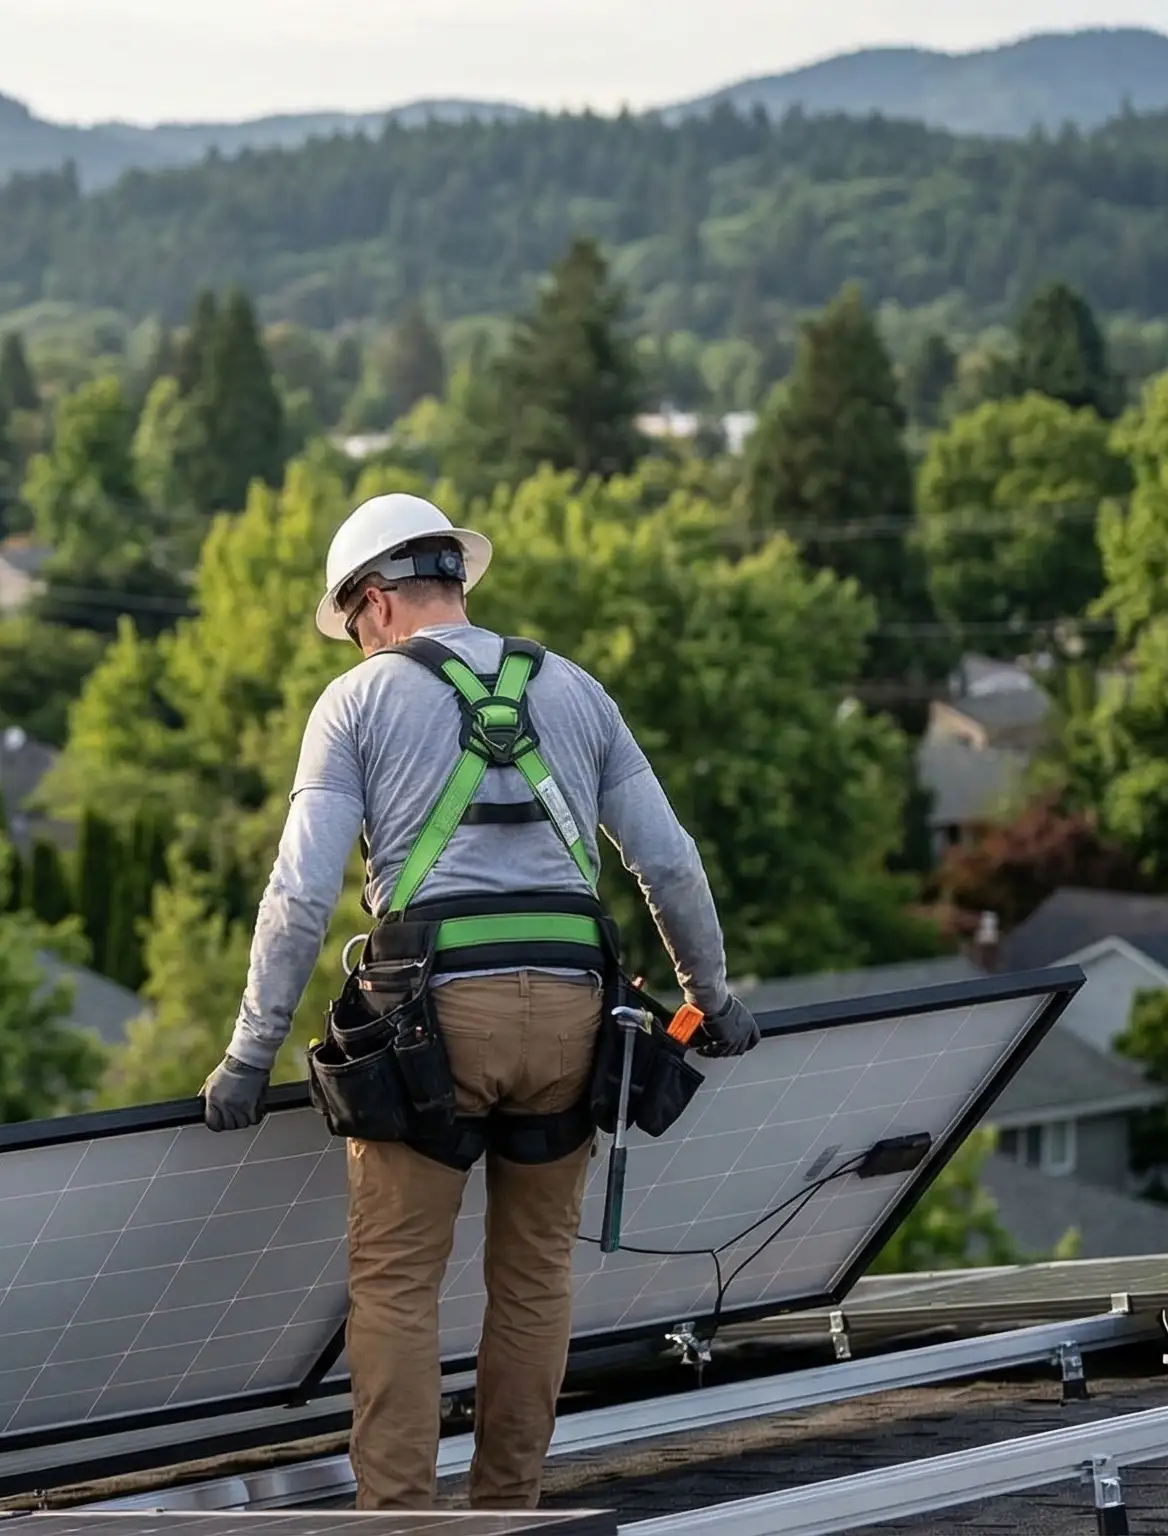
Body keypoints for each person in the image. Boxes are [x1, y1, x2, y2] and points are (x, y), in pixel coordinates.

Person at [196, 491, 759, 1510]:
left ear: (373, 602)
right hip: (575, 1017)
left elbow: (299, 892)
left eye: (351, 623)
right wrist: (708, 998)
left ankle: (401, 1527)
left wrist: (248, 1054)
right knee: (536, 1281)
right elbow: (669, 865)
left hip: (429, 1023)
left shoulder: (358, 704)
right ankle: (507, 1514)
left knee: (399, 1286)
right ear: (452, 581)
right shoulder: (577, 691)